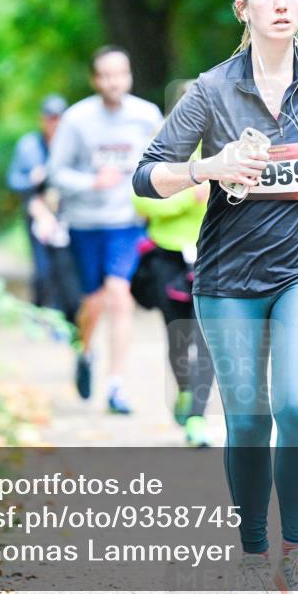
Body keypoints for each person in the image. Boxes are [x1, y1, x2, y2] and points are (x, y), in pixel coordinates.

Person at [134, 0, 298, 594]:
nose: (282, 2)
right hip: (229, 276)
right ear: (244, 8)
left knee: (296, 404)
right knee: (248, 417)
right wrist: (210, 167)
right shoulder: (211, 89)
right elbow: (147, 174)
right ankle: (252, 557)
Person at [48, 46, 163, 414]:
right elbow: (56, 173)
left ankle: (117, 385)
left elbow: (163, 162)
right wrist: (90, 182)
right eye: (107, 75)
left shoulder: (146, 116)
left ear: (129, 76)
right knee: (93, 302)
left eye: (121, 74)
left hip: (126, 221)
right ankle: (84, 353)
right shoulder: (76, 119)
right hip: (85, 223)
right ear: (95, 79)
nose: (115, 81)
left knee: (118, 293)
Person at [131, 177, 214, 447]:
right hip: (167, 259)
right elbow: (141, 202)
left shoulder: (229, 146)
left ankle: (196, 417)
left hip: (212, 255)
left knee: (207, 339)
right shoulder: (167, 151)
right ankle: (185, 389)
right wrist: (189, 196)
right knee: (179, 339)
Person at [6, 94, 81, 324]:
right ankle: (40, 312)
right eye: (50, 118)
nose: (54, 124)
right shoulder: (28, 146)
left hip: (67, 214)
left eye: (59, 119)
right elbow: (12, 180)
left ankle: (61, 316)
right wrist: (33, 179)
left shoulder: (74, 145)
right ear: (42, 119)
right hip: (37, 213)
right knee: (42, 269)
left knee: (66, 268)